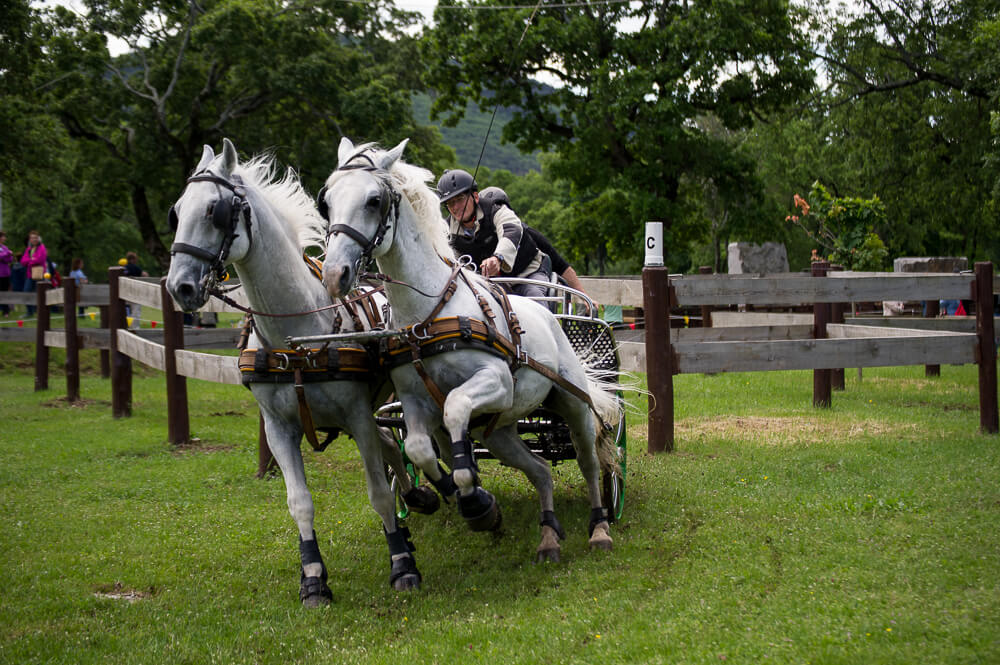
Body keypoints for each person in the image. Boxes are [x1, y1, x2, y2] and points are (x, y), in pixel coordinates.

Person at [437, 169, 550, 299]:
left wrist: (498, 258)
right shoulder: (447, 231)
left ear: (475, 197)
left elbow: (511, 230)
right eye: (450, 203)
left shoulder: (496, 210)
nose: (456, 207)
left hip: (527, 274)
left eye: (460, 198)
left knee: (534, 298)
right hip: (491, 285)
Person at [19, 230, 47, 316]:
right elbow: (22, 261)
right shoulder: (29, 249)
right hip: (30, 274)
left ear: (38, 239)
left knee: (40, 293)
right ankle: (29, 311)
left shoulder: (42, 247)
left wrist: (30, 261)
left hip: (39, 273)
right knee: (26, 292)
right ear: (29, 239)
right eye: (32, 238)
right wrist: (31, 260)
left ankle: (41, 312)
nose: (34, 239)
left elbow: (40, 259)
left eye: (35, 238)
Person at [122, 251, 149, 328]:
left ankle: (126, 325)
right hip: (135, 292)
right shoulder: (136, 268)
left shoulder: (124, 268)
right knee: (136, 310)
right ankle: (135, 327)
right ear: (133, 259)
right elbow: (145, 275)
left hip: (125, 292)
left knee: (127, 311)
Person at [0, 231, 12, 316]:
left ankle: (6, 311)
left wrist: (5, 256)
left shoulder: (5, 247)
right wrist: (7, 254)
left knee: (5, 292)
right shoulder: (6, 250)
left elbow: (9, 260)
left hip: (5, 273)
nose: (5, 238)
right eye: (3, 236)